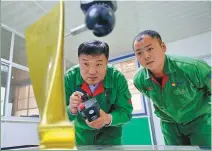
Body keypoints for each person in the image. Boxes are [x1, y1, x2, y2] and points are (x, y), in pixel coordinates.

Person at [132, 30, 211, 148]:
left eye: (150, 49)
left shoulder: (191, 67)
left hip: (199, 120)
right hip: (169, 125)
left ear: (163, 47)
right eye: (139, 53)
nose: (146, 56)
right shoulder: (139, 79)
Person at [64, 40, 133, 145]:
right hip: (82, 137)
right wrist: (71, 110)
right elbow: (58, 116)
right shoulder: (69, 78)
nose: (92, 71)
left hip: (111, 136)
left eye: (99, 64)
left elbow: (126, 113)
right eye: (86, 64)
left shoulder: (117, 78)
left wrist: (107, 119)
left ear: (107, 62)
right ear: (79, 61)